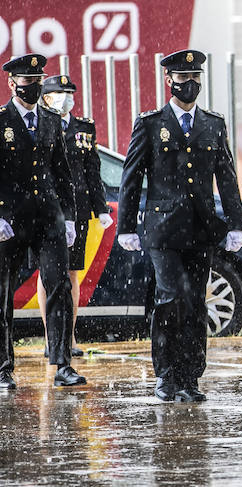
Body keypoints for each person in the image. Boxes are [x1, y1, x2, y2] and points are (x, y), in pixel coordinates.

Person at [117, 50, 242, 401]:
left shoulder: (213, 124)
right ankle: (166, 374)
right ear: (168, 81)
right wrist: (126, 226)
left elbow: (227, 177)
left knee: (195, 302)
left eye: (195, 78)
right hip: (163, 230)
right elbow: (131, 177)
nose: (190, 84)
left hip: (201, 229)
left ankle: (191, 377)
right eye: (183, 78)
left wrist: (236, 224)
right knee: (170, 298)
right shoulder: (151, 123)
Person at [0, 53, 83, 389]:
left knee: (58, 285)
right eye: (26, 82)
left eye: (37, 82)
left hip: (48, 218)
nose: (32, 87)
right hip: (10, 219)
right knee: (3, 293)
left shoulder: (50, 120)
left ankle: (62, 362)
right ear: (11, 83)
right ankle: (3, 367)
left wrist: (69, 217)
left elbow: (62, 173)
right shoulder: (2, 120)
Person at [36, 73, 112, 359]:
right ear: (46, 97)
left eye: (70, 93)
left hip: (77, 209)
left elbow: (93, 171)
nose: (66, 98)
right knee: (48, 274)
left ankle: (69, 335)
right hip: (48, 208)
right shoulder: (41, 124)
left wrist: (101, 208)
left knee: (71, 273)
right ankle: (50, 336)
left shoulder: (84, 127)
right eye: (60, 93)